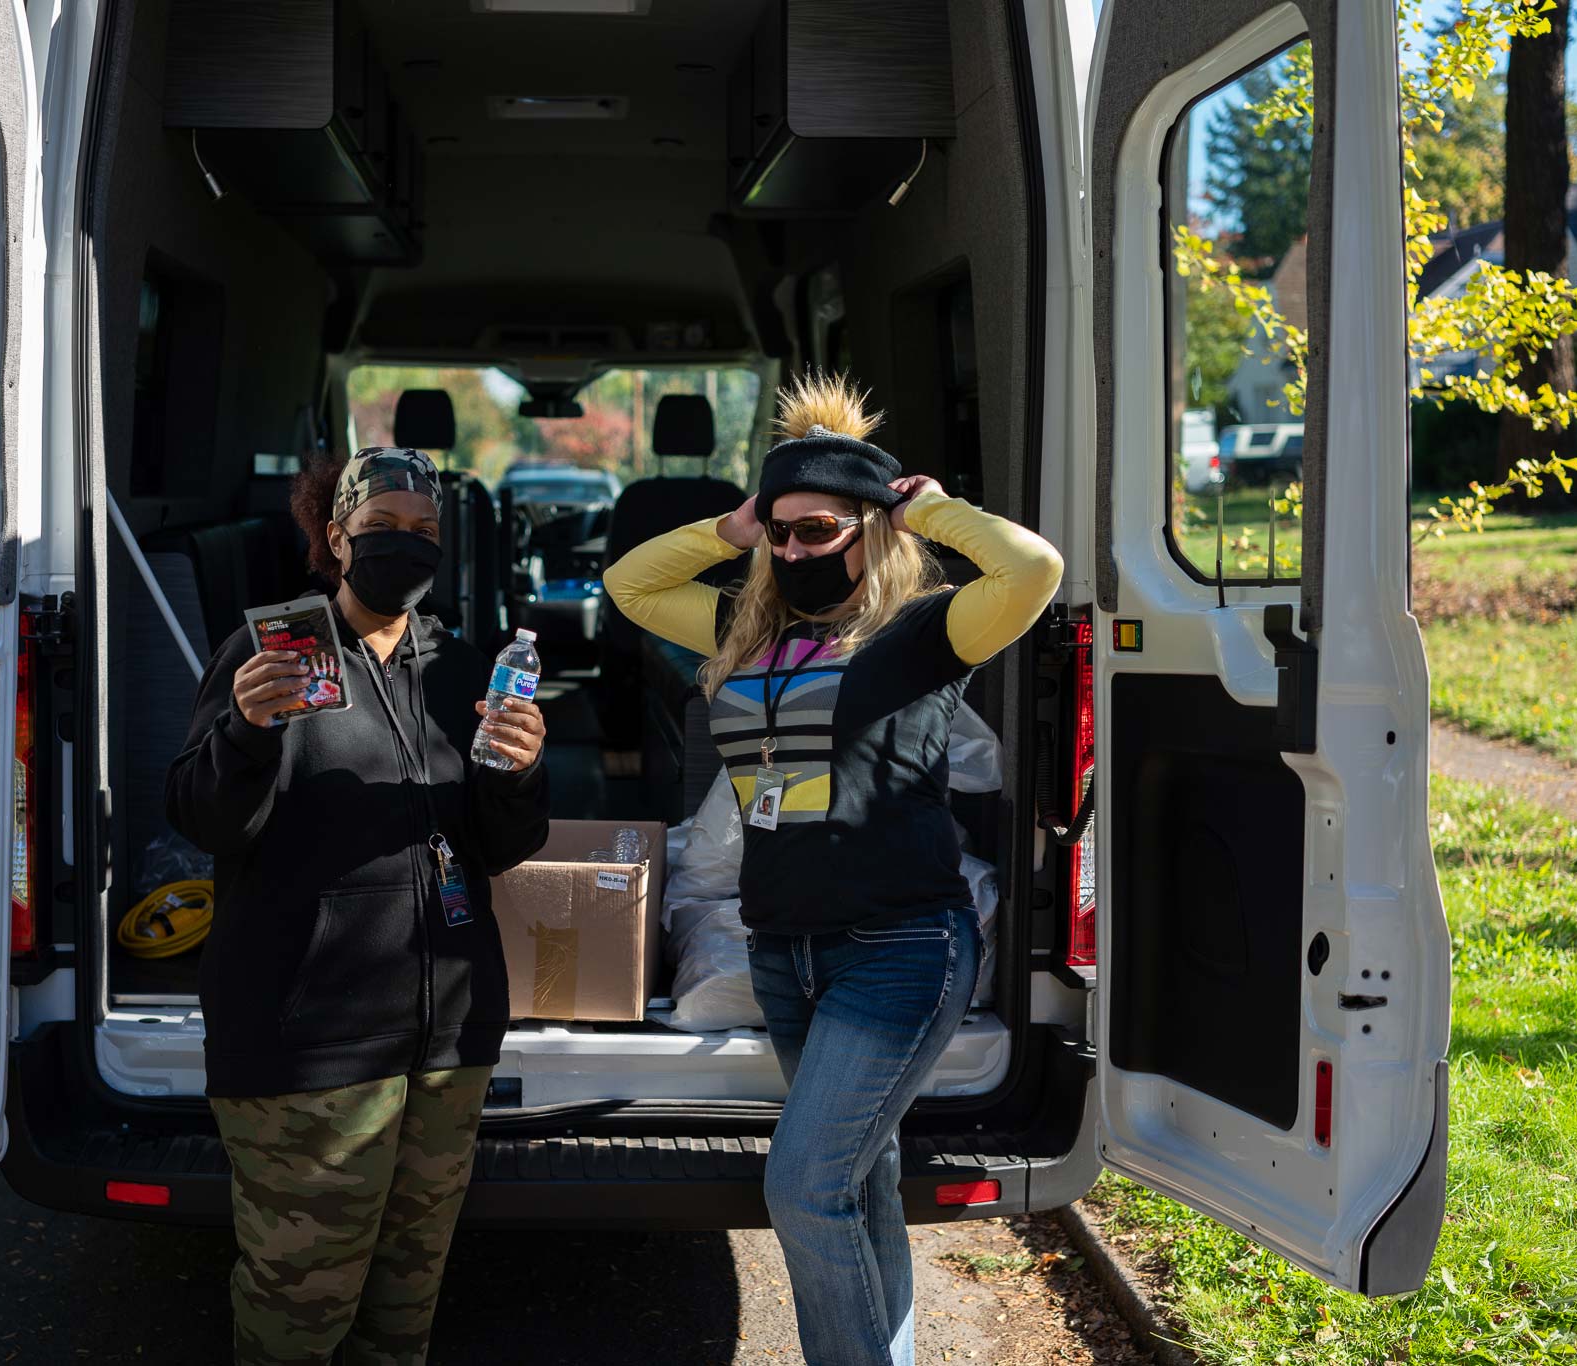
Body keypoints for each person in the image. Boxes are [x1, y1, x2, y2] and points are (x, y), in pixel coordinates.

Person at [603, 374, 1062, 1366]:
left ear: (867, 530)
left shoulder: (918, 635)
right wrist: (730, 528)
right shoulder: (743, 632)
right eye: (782, 532)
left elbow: (1031, 569)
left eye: (818, 531)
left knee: (801, 1186)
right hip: (785, 950)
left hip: (897, 949)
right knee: (857, 1181)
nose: (794, 549)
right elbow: (630, 585)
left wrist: (927, 509)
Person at [166, 446, 550, 1365]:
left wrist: (523, 769)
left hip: (449, 1040)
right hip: (311, 1044)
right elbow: (200, 818)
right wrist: (248, 733)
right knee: (300, 1318)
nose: (406, 547)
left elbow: (502, 848)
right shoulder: (272, 657)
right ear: (335, 538)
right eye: (382, 529)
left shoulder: (460, 664)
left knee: (404, 1312)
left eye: (425, 533)